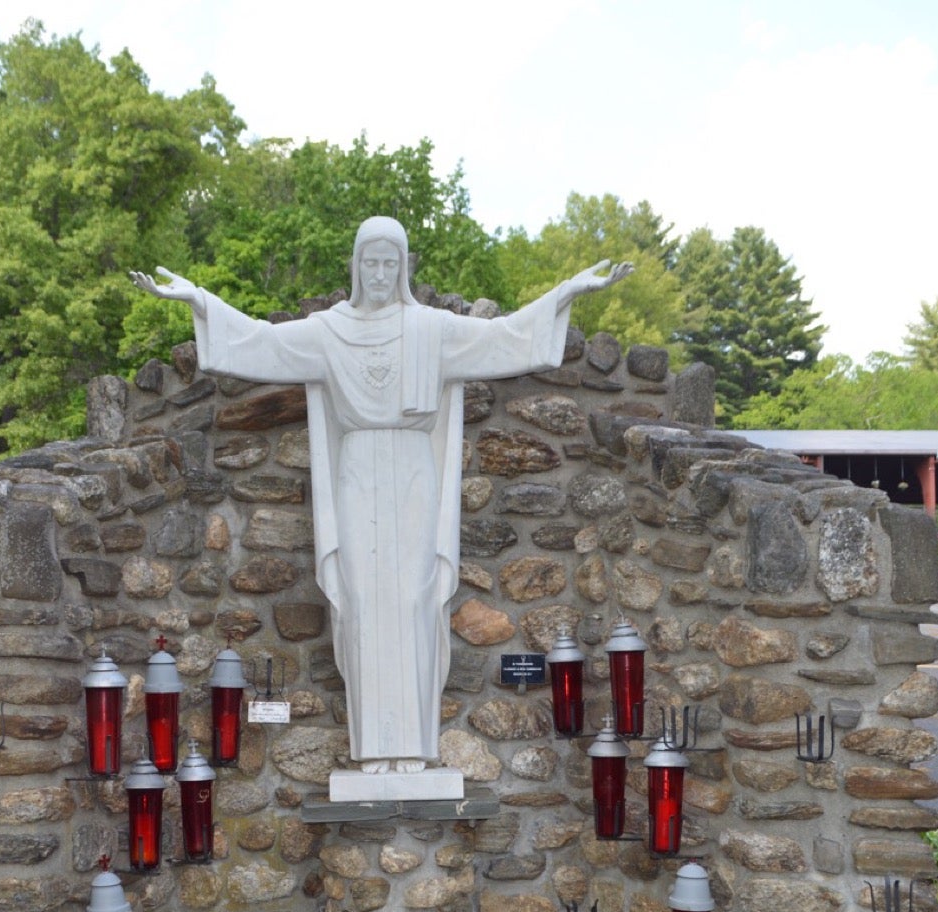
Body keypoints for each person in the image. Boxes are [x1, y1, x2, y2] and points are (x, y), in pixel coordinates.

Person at [134, 217, 631, 775]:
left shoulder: (430, 329)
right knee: (365, 599)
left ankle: (416, 746)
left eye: (389, 263)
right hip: (359, 468)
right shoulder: (330, 330)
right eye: (369, 262)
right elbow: (263, 342)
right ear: (355, 266)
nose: (378, 273)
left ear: (402, 269)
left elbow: (503, 338)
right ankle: (374, 747)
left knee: (416, 600)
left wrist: (565, 293)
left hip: (415, 469)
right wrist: (198, 300)